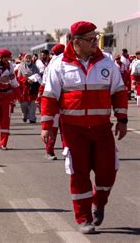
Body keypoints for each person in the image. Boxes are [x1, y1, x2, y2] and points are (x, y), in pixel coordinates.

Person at [41, 21, 128, 234]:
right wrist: (47, 126)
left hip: (101, 129)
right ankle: (84, 218)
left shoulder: (106, 62)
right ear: (76, 42)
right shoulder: (59, 64)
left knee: (108, 172)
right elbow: (50, 97)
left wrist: (122, 119)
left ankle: (99, 202)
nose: (95, 43)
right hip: (73, 131)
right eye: (91, 39)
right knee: (78, 175)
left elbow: (119, 91)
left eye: (96, 38)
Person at [39, 43, 65, 160]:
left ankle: (49, 151)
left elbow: (44, 82)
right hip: (62, 101)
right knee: (65, 129)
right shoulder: (60, 62)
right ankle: (67, 151)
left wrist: (40, 95)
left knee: (53, 127)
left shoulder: (51, 64)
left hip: (53, 99)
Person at [17, 54, 41, 123]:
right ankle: (25, 115)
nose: (28, 59)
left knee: (32, 104)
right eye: (27, 58)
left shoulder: (35, 67)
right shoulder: (21, 67)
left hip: (33, 87)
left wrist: (33, 79)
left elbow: (38, 76)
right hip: (24, 88)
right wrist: (26, 80)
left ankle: (32, 118)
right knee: (24, 104)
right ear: (24, 59)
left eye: (29, 58)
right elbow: (19, 77)